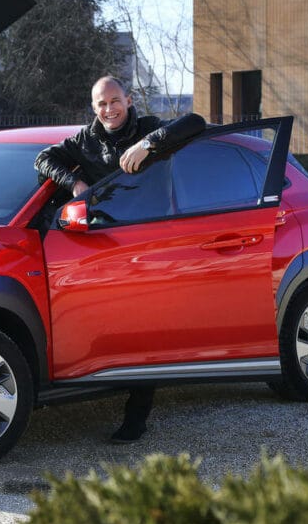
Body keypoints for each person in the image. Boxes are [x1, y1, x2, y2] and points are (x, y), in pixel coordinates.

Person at [34, 75, 206, 443]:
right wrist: (75, 184)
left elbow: (197, 123)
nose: (109, 109)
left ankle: (136, 417)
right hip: (107, 243)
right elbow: (43, 159)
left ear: (128, 100)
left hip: (151, 239)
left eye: (115, 101)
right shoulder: (85, 140)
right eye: (101, 104)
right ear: (93, 107)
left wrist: (149, 144)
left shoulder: (149, 128)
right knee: (119, 325)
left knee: (147, 329)